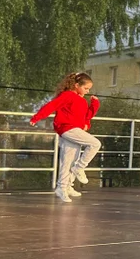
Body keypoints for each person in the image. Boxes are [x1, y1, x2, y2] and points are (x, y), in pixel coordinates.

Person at [30, 72, 101, 203]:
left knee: (68, 160)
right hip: (67, 128)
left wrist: (94, 106)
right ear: (76, 85)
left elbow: (86, 116)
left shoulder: (82, 100)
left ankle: (64, 187)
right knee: (95, 144)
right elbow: (52, 106)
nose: (87, 91)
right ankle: (79, 168)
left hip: (75, 129)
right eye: (86, 88)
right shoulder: (68, 95)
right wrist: (37, 117)